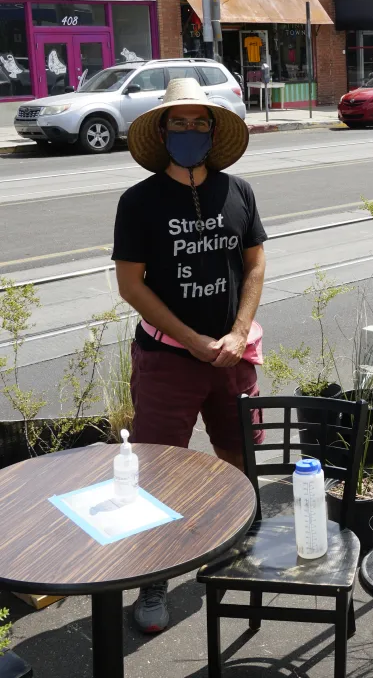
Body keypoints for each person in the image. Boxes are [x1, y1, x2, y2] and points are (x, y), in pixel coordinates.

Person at [113, 78, 268, 634]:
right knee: (157, 467)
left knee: (239, 455)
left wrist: (237, 330)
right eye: (177, 123)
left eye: (197, 122)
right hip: (168, 361)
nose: (188, 132)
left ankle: (237, 543)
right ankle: (153, 577)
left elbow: (253, 265)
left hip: (233, 355)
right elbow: (132, 285)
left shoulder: (239, 192)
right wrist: (193, 340)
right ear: (162, 132)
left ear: (212, 130)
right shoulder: (139, 202)